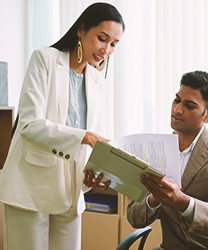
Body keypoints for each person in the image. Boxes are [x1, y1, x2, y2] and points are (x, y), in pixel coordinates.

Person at [0, 2, 125, 250]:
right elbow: (29, 125)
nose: (106, 49)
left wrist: (91, 176)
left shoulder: (97, 81)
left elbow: (88, 141)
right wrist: (85, 137)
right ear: (81, 30)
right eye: (102, 38)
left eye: (113, 44)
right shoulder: (45, 59)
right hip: (31, 188)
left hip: (71, 192)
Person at [127, 71, 208, 250]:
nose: (177, 109)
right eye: (177, 100)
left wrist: (182, 202)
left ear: (207, 115)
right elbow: (134, 217)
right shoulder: (155, 149)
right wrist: (153, 199)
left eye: (190, 106)